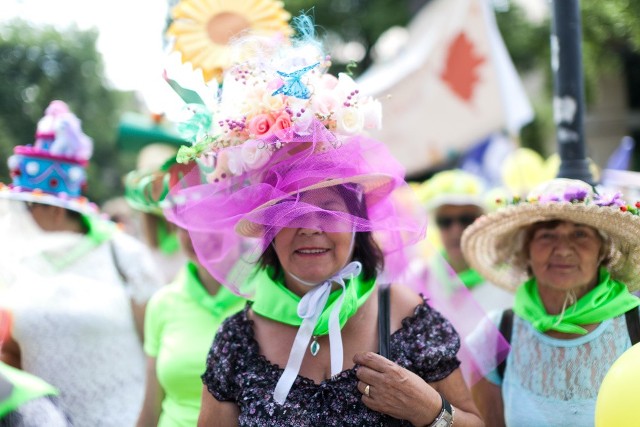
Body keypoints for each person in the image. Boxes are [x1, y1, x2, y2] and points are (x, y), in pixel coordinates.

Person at [164, 16, 484, 426]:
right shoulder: (237, 339)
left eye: (328, 209)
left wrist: (430, 410)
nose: (310, 226)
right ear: (267, 229)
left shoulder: (404, 315)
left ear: (357, 222)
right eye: (289, 209)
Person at [0, 100, 163, 426]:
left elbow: (157, 350)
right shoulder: (13, 260)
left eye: (30, 206)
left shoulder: (122, 254)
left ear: (56, 209)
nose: (22, 215)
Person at [461, 178, 640, 426]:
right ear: (527, 251)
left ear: (602, 251)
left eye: (580, 234)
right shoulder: (496, 334)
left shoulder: (635, 322)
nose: (563, 250)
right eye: (547, 235)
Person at [131, 160, 246, 426]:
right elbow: (151, 408)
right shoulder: (163, 302)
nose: (197, 235)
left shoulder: (266, 300)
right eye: (186, 223)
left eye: (211, 221)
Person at [418, 169, 512, 312]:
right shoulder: (423, 279)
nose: (456, 230)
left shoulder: (508, 275)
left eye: (466, 219)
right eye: (445, 221)